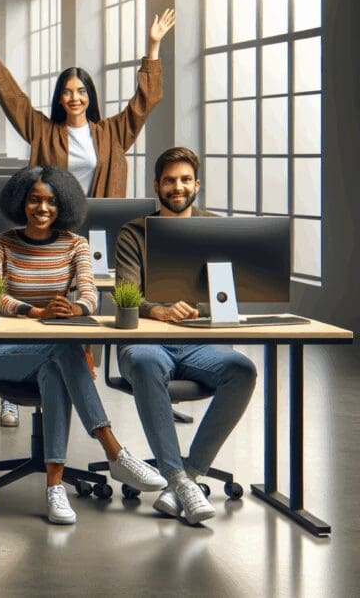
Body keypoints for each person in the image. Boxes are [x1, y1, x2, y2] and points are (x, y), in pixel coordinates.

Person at [0, 166, 166, 525]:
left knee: (57, 364)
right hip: (3, 353)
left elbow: (90, 295)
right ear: (21, 201)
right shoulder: (0, 242)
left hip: (52, 352)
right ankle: (113, 449)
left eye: (51, 201)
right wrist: (36, 311)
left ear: (63, 204)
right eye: (34, 199)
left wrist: (73, 308)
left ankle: (54, 487)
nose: (42, 208)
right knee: (65, 348)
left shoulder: (75, 244)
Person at [114, 147, 257, 525]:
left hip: (200, 342)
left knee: (242, 370)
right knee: (144, 362)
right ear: (157, 185)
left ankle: (188, 476)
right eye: (169, 180)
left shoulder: (215, 230)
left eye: (184, 180)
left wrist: (199, 310)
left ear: (197, 184)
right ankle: (179, 478)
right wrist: (156, 309)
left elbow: (229, 297)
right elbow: (127, 295)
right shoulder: (133, 232)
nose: (177, 187)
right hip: (147, 342)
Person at [0, 8, 176, 197]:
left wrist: (154, 46)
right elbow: (13, 99)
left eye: (81, 91)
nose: (75, 98)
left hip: (98, 222)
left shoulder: (112, 133)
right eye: (67, 92)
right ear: (60, 99)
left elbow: (146, 99)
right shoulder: (43, 132)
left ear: (89, 96)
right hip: (54, 224)